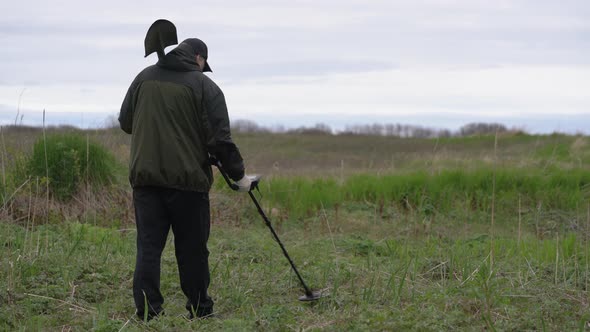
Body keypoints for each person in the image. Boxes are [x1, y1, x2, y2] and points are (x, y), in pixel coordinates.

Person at [119, 31, 251, 320]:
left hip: (146, 181)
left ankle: (147, 313)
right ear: (199, 58)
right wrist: (239, 176)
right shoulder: (204, 86)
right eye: (204, 63)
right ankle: (200, 311)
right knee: (192, 250)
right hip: (188, 184)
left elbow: (126, 122)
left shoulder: (143, 78)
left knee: (149, 248)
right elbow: (220, 139)